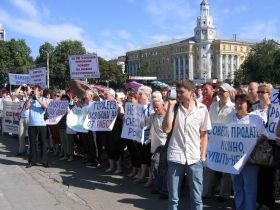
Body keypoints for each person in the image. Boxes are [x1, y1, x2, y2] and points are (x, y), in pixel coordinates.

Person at [162, 80, 211, 210]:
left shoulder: (202, 109)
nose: (178, 94)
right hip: (175, 156)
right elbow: (166, 129)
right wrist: (170, 108)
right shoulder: (175, 108)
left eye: (181, 92)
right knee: (173, 198)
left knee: (196, 198)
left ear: (191, 92)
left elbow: (204, 134)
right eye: (177, 92)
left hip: (194, 158)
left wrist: (202, 155)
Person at [230, 94, 267, 210]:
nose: (239, 105)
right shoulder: (231, 118)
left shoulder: (255, 119)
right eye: (237, 102)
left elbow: (264, 135)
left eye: (242, 102)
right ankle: (239, 207)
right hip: (234, 159)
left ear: (248, 104)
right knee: (237, 186)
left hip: (249, 159)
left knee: (249, 187)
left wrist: (254, 141)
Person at [203, 83, 235, 202]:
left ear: (229, 93)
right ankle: (206, 192)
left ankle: (224, 194)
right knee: (209, 167)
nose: (221, 93)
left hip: (226, 143)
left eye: (224, 91)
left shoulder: (233, 108)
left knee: (226, 170)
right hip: (213, 142)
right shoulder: (213, 105)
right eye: (220, 91)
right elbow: (209, 122)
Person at [25, 85, 49, 168]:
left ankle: (44, 161)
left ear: (39, 91)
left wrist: (37, 99)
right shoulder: (31, 99)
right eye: (33, 90)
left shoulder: (43, 99)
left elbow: (45, 107)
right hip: (32, 124)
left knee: (43, 143)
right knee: (32, 143)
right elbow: (26, 107)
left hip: (42, 124)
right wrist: (29, 98)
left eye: (34, 90)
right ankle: (32, 161)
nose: (33, 91)